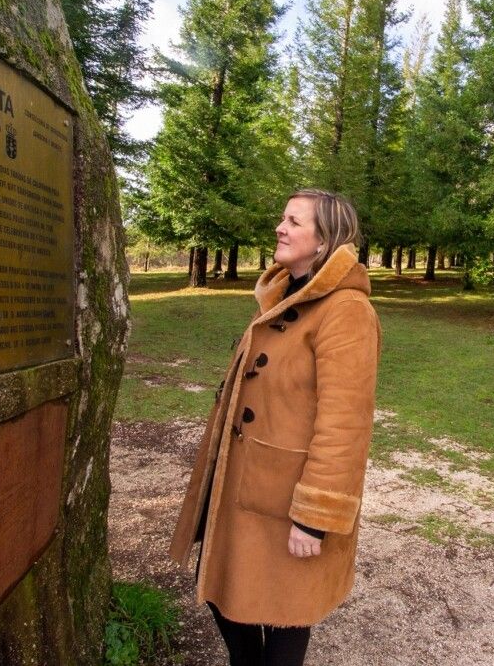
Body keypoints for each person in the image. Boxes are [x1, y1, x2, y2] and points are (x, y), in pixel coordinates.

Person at [169, 189, 382, 666]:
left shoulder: (346, 311)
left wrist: (315, 515)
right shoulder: (283, 293)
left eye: (293, 221)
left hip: (289, 493)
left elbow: (345, 423)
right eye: (282, 218)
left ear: (324, 242)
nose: (280, 228)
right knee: (223, 585)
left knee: (287, 607)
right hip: (246, 481)